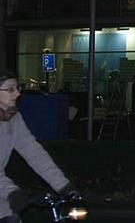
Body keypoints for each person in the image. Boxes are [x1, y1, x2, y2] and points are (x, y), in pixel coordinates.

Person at [0, 70, 78, 222]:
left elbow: (34, 153)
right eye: (10, 89)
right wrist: (12, 192)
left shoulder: (13, 119)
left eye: (17, 88)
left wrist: (64, 187)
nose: (17, 94)